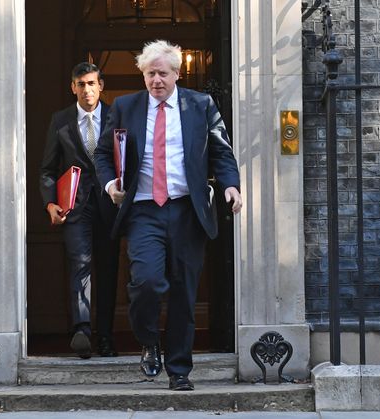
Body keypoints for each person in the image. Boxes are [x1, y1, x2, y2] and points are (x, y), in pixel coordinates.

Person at [94, 40, 242, 391]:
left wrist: (230, 185)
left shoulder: (200, 105)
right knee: (145, 281)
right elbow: (102, 154)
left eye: (162, 73)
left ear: (177, 73)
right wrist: (110, 185)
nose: (156, 80)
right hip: (144, 209)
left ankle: (179, 371)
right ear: (142, 75)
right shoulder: (125, 107)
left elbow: (221, 151)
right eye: (150, 73)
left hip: (187, 209)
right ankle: (149, 341)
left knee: (183, 292)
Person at [39, 62, 120, 359]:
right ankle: (83, 330)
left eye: (91, 83)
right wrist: (50, 203)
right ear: (73, 87)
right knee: (79, 263)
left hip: (110, 205)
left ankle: (106, 337)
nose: (87, 89)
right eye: (81, 84)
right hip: (75, 207)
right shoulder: (60, 120)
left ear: (101, 86)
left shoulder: (116, 116)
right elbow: (47, 169)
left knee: (108, 269)